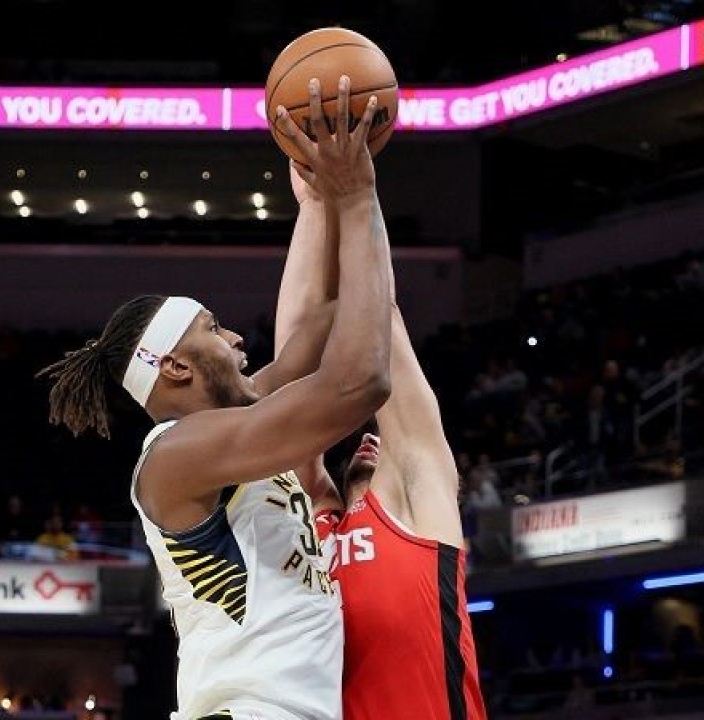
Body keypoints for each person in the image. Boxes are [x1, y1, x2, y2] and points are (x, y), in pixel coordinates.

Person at [38, 76, 390, 720]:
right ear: (174, 365)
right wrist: (358, 196)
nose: (234, 337)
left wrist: (320, 200)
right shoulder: (177, 454)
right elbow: (358, 381)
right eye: (213, 327)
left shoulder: (235, 424)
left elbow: (318, 328)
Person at [272, 115, 487, 719]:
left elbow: (381, 325)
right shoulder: (315, 530)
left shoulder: (418, 508)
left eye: (374, 439)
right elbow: (293, 365)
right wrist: (315, 204)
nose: (366, 440)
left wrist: (356, 197)